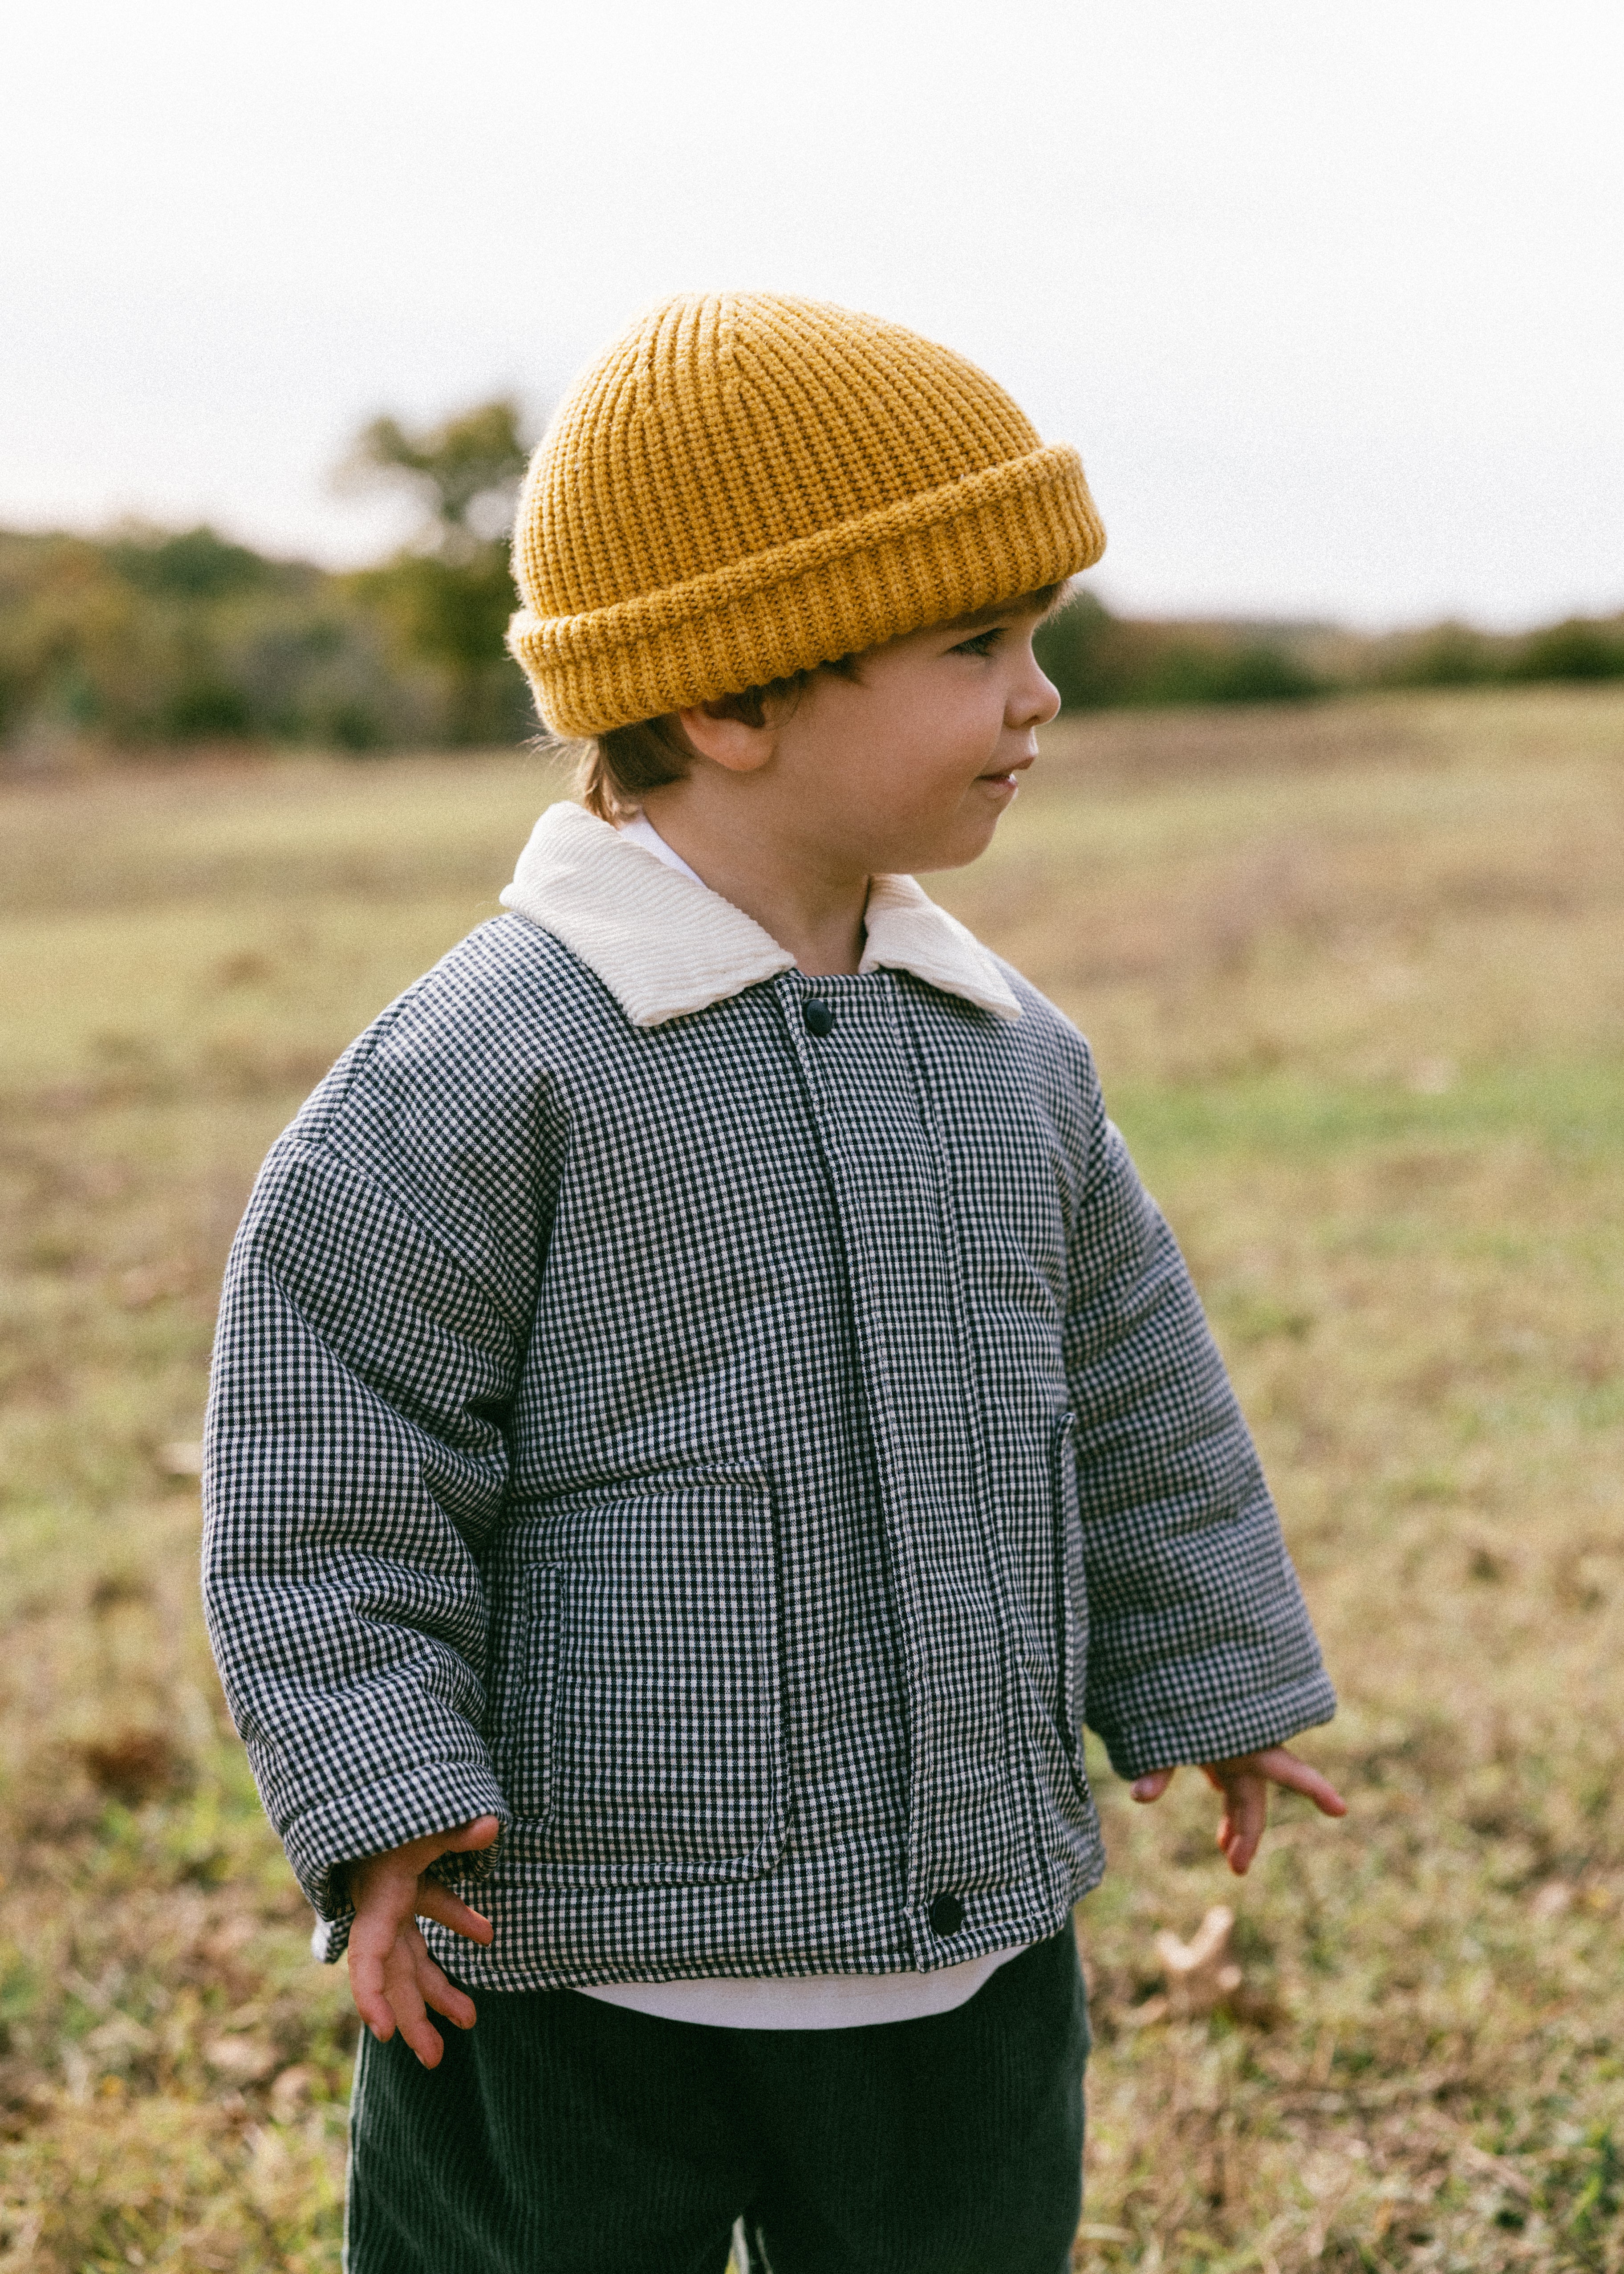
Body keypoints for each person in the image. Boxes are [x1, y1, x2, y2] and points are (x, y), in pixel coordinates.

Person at [203, 292, 1345, 2274]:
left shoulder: (1012, 1056)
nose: (1038, 697)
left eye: (1038, 638)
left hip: (965, 1935)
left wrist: (1211, 1674)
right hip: (581, 1955)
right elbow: (332, 1456)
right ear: (732, 703)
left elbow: (1135, 1394)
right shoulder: (489, 1068)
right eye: (977, 646)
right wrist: (382, 1794)